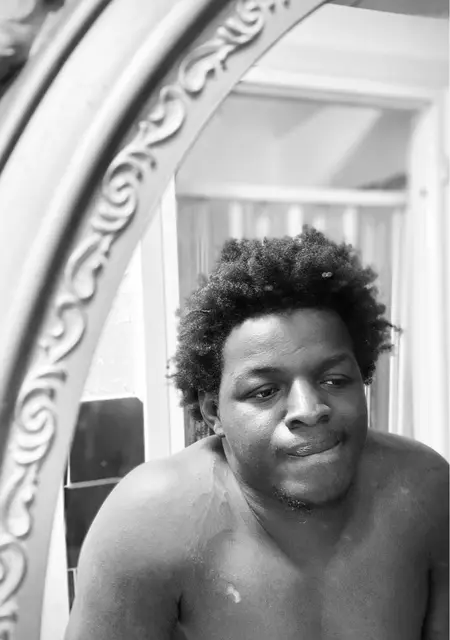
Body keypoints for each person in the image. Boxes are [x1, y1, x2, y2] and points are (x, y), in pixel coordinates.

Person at [65, 228, 449, 640]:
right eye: (265, 391)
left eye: (335, 380)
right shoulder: (150, 522)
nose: (309, 410)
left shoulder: (423, 491)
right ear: (213, 412)